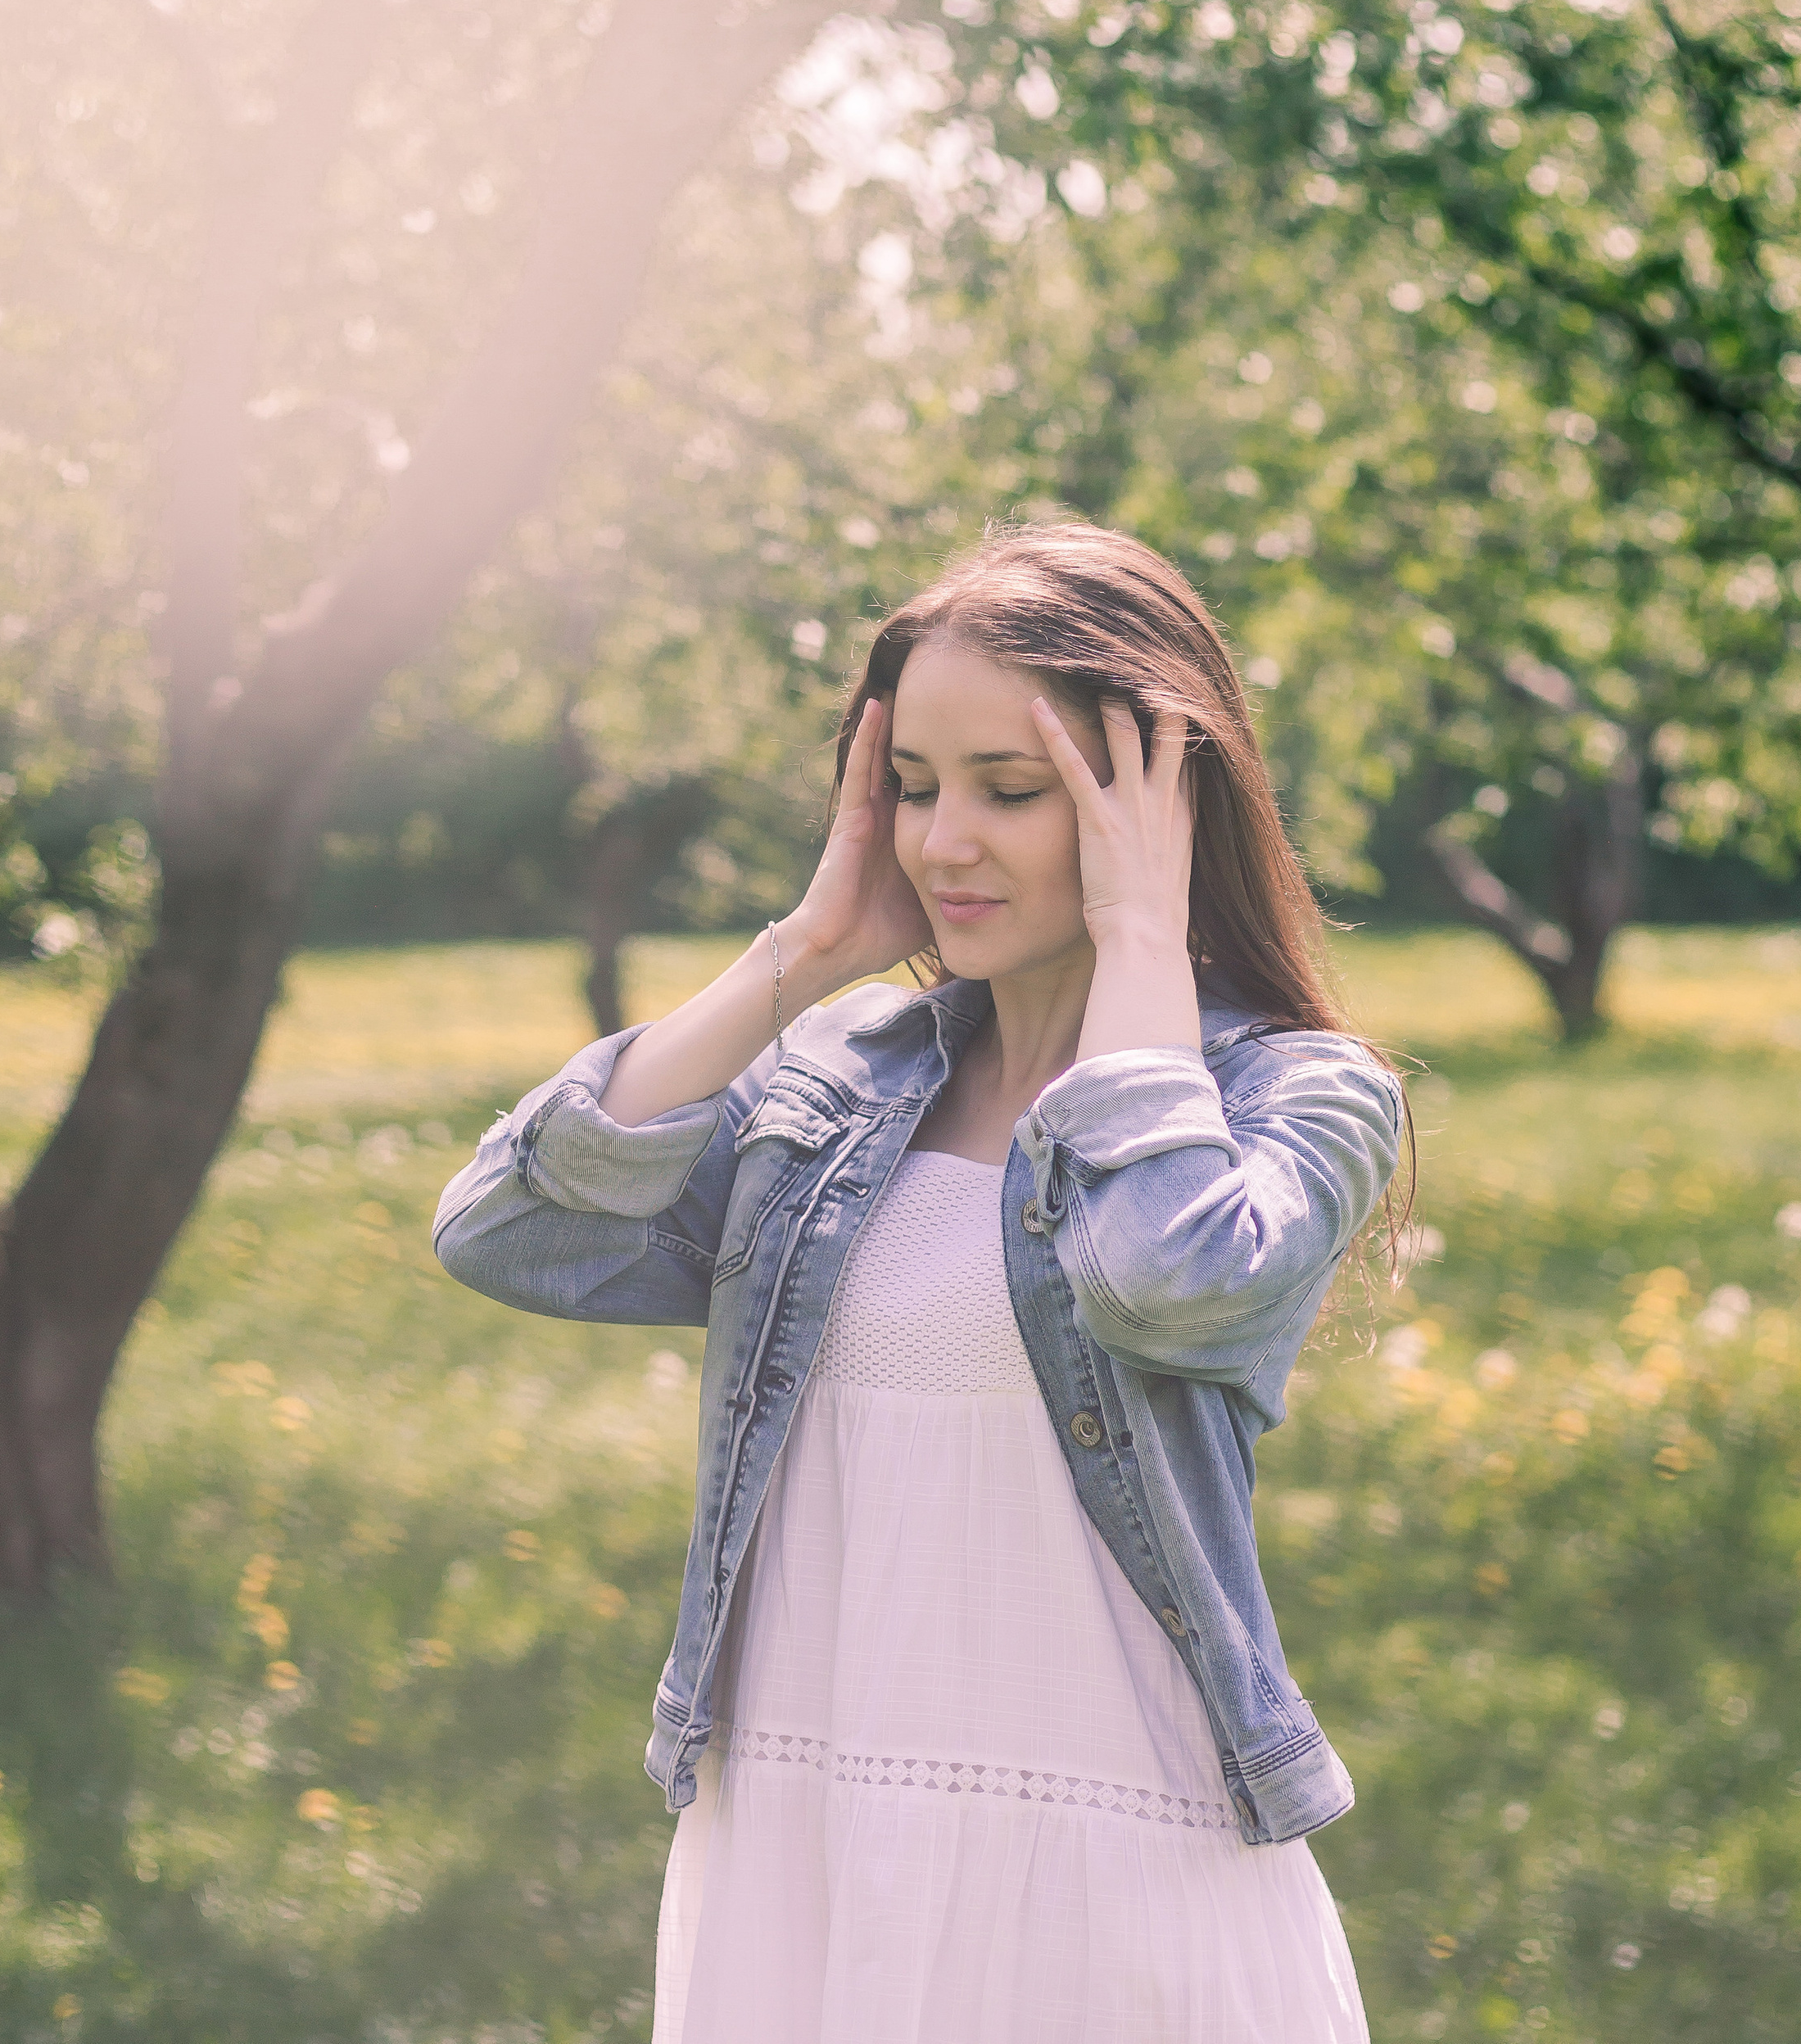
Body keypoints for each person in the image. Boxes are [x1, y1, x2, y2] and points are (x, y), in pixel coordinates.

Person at [433, 520, 1406, 2043]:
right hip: (802, 1850)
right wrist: (807, 951)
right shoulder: (830, 1092)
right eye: (913, 788)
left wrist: (1142, 937)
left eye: (1013, 792)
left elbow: (1160, 1278)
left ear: (1159, 798)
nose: (944, 840)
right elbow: (505, 1226)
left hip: (1111, 1872)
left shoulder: (1297, 1101)